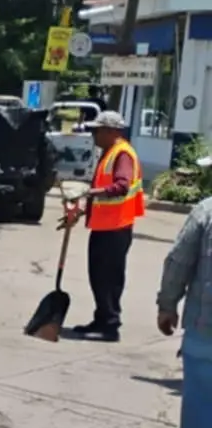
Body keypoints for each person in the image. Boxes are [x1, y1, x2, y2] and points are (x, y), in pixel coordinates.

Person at [62, 110, 145, 342]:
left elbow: (121, 186)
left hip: (116, 228)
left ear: (111, 131)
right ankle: (101, 319)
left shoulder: (122, 155)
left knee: (107, 278)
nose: (94, 135)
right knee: (98, 276)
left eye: (97, 131)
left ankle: (109, 325)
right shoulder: (110, 152)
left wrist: (88, 192)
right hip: (105, 226)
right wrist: (81, 208)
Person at [157, 172, 212, 428]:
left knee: (201, 405)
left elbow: (178, 262)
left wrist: (167, 305)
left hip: (206, 329)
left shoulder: (206, 211)